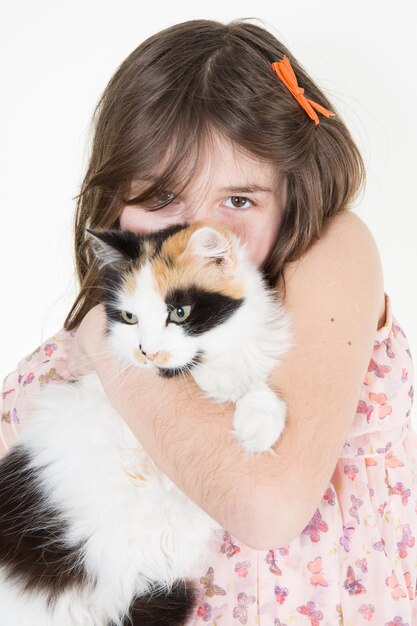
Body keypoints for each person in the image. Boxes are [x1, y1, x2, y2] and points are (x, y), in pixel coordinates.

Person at [1, 18, 416, 625]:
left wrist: (110, 341)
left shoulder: (333, 255)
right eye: (164, 198)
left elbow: (268, 509)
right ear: (114, 204)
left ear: (292, 197)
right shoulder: (54, 372)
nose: (197, 235)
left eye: (239, 200)